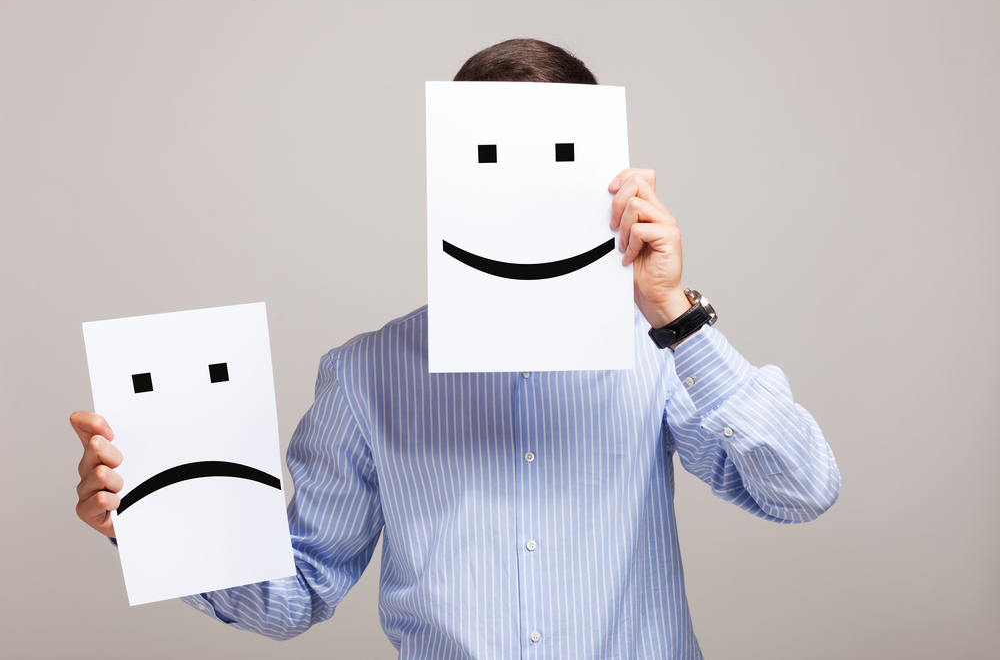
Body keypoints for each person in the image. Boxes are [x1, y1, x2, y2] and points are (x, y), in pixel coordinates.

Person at [72, 38, 840, 659]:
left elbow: (801, 490)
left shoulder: (658, 354)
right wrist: (157, 522)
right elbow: (300, 590)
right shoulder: (365, 375)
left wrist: (673, 311)